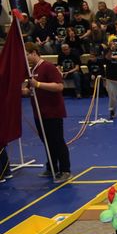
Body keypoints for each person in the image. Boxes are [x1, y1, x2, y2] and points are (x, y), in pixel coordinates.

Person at [22, 43, 72, 182]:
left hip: (53, 111)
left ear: (34, 53)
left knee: (57, 141)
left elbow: (59, 86)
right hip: (39, 112)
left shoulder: (48, 67)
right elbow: (29, 90)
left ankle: (65, 169)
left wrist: (38, 84)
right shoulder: (32, 70)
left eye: (26, 54)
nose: (25, 57)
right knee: (46, 141)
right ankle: (51, 167)